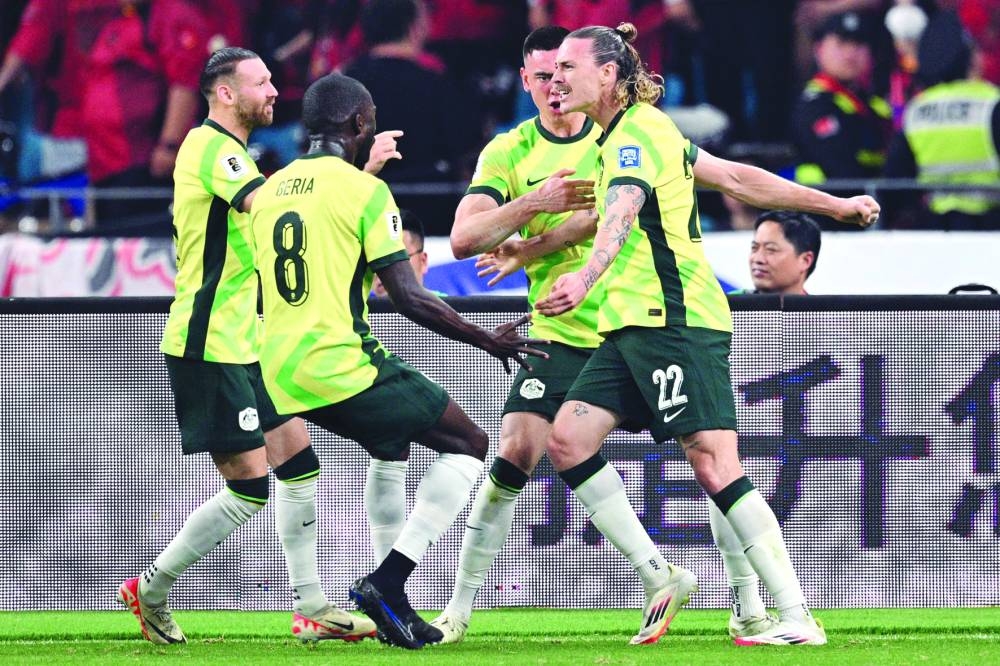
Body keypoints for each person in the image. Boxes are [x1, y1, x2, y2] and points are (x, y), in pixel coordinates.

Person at [537, 22, 880, 646]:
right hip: (630, 327)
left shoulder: (635, 136)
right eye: (552, 69)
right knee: (567, 439)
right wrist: (835, 205)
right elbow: (741, 179)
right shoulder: (641, 131)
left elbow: (620, 214)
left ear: (608, 75)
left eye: (568, 67)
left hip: (673, 321)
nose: (555, 79)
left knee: (715, 463)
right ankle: (663, 575)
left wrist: (585, 278)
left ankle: (795, 614)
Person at [247, 72, 547, 650]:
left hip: (276, 367)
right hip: (338, 362)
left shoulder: (272, 190)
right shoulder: (366, 193)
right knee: (468, 444)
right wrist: (490, 341)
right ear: (361, 124)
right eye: (373, 117)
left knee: (390, 446)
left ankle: (368, 597)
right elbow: (409, 297)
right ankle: (388, 583)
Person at [117, 47, 376, 646]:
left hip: (249, 341)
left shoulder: (234, 153)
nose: (275, 92)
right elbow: (280, 210)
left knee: (300, 462)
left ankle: (312, 606)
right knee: (250, 485)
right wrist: (361, 179)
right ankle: (151, 590)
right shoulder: (209, 149)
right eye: (261, 83)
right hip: (211, 342)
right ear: (225, 94)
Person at [883, 9, 1000, 229]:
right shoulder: (991, 102)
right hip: (990, 227)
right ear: (970, 58)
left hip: (935, 227)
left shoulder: (917, 109)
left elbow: (895, 182)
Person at [792, 11, 893, 185]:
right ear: (819, 49)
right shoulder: (814, 104)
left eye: (858, 44)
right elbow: (839, 166)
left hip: (873, 205)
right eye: (841, 43)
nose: (850, 53)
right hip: (827, 205)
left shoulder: (875, 104)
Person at [747, 211, 823, 295]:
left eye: (771, 249)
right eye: (754, 248)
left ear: (805, 260)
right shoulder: (731, 304)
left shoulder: (823, 308)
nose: (758, 259)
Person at [371, 209, 439, 297]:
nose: (385, 268)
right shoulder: (356, 309)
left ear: (423, 261)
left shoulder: (451, 309)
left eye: (397, 258)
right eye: (377, 259)